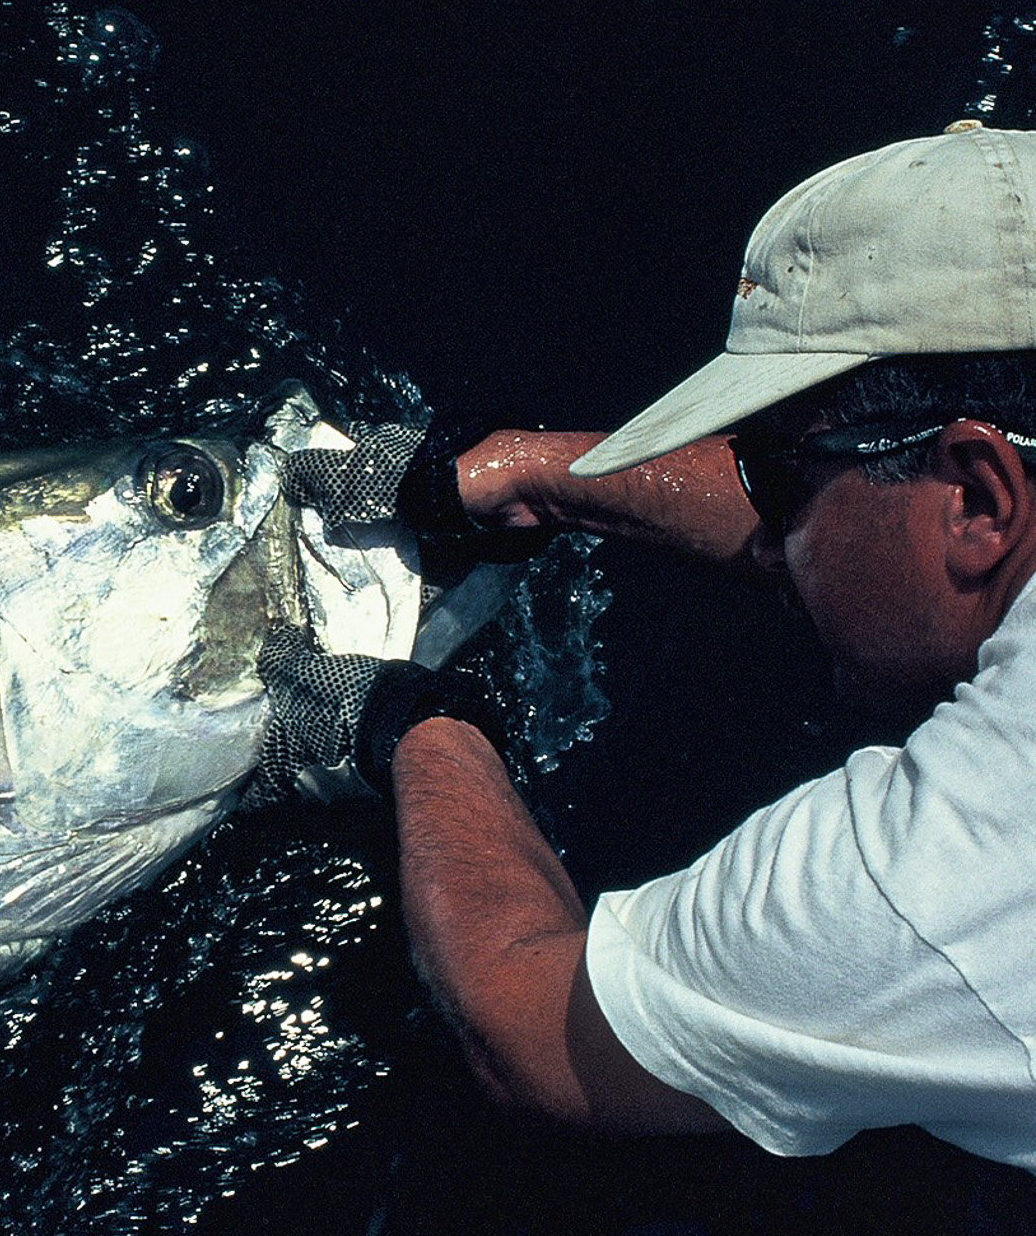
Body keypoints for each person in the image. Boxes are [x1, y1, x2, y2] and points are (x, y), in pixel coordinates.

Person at [254, 120, 1036, 1172]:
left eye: (775, 473)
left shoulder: (945, 873)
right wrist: (526, 472)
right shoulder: (981, 496)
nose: (768, 520)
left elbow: (537, 1032)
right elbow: (887, 509)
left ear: (981, 497)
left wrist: (418, 726)